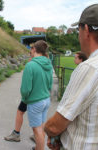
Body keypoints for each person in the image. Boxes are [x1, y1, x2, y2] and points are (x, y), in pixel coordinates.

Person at [44, 4, 98, 150]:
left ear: (86, 30)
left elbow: (55, 125)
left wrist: (50, 132)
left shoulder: (89, 68)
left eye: (78, 30)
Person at [21, 40, 53, 150]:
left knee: (37, 130)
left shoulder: (31, 65)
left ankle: (40, 148)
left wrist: (25, 99)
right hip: (46, 100)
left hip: (35, 102)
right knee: (41, 127)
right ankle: (38, 147)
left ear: (34, 49)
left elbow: (25, 89)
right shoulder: (48, 63)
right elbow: (50, 84)